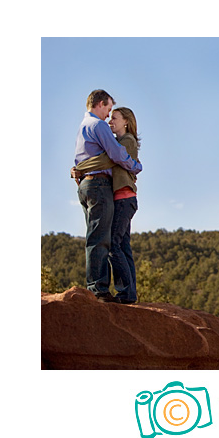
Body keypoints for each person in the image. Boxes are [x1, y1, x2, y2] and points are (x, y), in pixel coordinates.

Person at [73, 90, 142, 303]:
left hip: (100, 189)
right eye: (109, 110)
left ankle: (121, 292)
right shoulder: (98, 125)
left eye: (114, 115)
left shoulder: (85, 127)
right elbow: (113, 157)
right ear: (101, 104)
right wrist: (135, 166)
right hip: (100, 186)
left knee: (112, 242)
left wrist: (79, 169)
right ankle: (102, 290)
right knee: (106, 240)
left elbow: (112, 156)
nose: (109, 117)